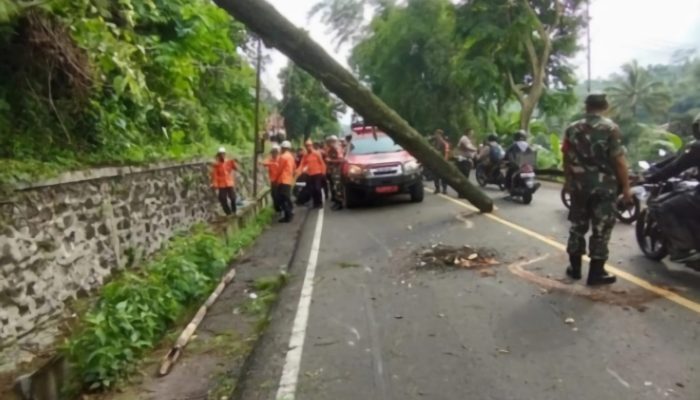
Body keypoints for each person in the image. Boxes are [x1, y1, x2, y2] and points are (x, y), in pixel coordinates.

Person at [562, 93, 632, 286]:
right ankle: (596, 273)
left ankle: (574, 269)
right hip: (604, 187)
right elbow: (618, 160)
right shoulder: (610, 129)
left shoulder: (572, 129)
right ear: (606, 106)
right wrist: (626, 187)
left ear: (586, 106)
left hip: (579, 186)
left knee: (577, 227)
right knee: (601, 229)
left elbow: (566, 156)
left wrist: (568, 181)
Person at [645, 113, 700, 262]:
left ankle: (683, 247)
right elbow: (678, 158)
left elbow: (675, 167)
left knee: (660, 207)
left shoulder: (697, 147)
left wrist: (650, 177)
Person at [297, 139, 327, 208]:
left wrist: (323, 172)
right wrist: (298, 171)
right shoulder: (305, 155)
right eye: (307, 146)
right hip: (310, 174)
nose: (308, 147)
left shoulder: (317, 153)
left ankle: (319, 203)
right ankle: (315, 203)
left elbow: (322, 163)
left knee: (317, 188)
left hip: (318, 173)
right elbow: (302, 164)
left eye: (309, 145)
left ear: (312, 146)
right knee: (312, 189)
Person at [211, 147, 238, 216]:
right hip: (221, 184)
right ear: (218, 155)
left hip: (229, 183)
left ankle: (234, 211)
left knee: (233, 197)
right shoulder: (216, 165)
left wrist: (234, 162)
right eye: (220, 154)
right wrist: (215, 184)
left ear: (225, 154)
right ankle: (228, 212)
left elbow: (236, 168)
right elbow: (215, 175)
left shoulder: (229, 162)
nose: (222, 155)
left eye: (223, 154)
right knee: (222, 198)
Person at [275, 141, 296, 223]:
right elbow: (294, 168)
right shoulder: (291, 157)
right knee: (286, 197)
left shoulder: (282, 157)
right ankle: (289, 213)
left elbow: (279, 170)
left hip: (283, 180)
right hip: (288, 180)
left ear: (283, 148)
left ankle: (288, 214)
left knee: (282, 199)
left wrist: (276, 180)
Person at [325, 135, 345, 210]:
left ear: (332, 141)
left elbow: (341, 160)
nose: (327, 143)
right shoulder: (331, 149)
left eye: (329, 142)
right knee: (334, 187)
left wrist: (330, 161)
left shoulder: (337, 149)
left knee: (337, 187)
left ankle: (340, 203)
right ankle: (336, 201)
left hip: (337, 171)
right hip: (333, 171)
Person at [262, 145, 281, 216]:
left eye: (275, 152)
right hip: (273, 181)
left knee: (280, 195)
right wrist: (273, 163)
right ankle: (277, 208)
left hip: (280, 180)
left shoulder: (280, 159)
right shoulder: (270, 159)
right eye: (273, 152)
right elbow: (264, 163)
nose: (274, 154)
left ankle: (280, 207)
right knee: (273, 195)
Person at [430, 129, 450, 194]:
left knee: (442, 176)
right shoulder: (435, 142)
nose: (436, 135)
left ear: (439, 134)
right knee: (436, 176)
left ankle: (443, 189)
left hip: (441, 160)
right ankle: (438, 188)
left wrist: (445, 160)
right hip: (436, 161)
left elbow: (446, 152)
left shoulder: (443, 142)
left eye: (437, 134)